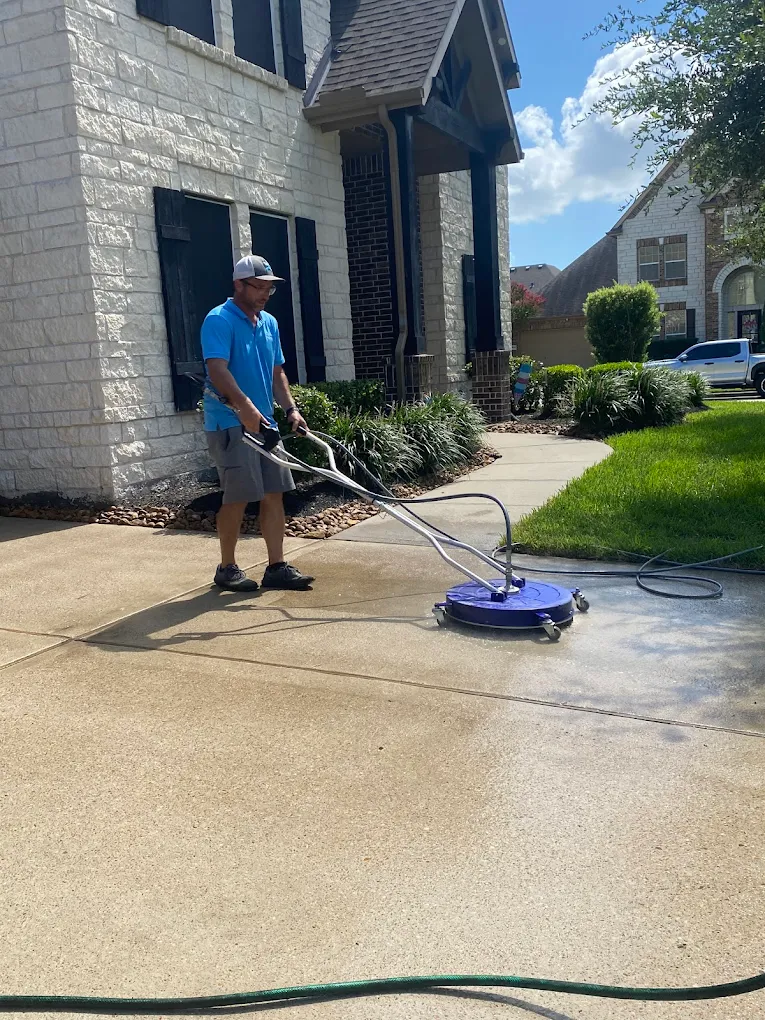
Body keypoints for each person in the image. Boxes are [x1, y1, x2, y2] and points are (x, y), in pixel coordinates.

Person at [201, 254, 314, 593]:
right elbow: (217, 370)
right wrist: (245, 407)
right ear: (239, 284)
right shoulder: (218, 320)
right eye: (259, 286)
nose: (265, 293)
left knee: (273, 493)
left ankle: (276, 567)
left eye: (270, 288)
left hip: (264, 424)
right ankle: (227, 567)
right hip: (230, 421)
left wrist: (290, 409)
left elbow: (277, 371)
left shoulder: (269, 323)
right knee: (237, 496)